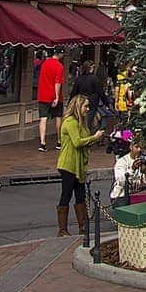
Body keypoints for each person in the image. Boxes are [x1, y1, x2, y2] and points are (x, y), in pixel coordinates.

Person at [57, 94, 104, 239]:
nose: (88, 109)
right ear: (78, 107)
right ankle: (62, 229)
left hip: (80, 165)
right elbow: (77, 142)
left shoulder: (81, 123)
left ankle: (83, 226)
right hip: (68, 165)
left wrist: (95, 139)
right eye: (85, 106)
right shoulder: (70, 122)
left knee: (80, 195)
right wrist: (94, 138)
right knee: (66, 195)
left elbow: (85, 141)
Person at [36, 50, 65, 151]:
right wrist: (56, 96)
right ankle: (59, 141)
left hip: (42, 94)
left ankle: (42, 142)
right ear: (60, 54)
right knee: (58, 117)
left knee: (43, 118)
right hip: (54, 95)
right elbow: (58, 82)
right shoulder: (59, 66)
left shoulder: (45, 63)